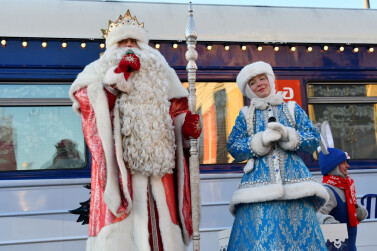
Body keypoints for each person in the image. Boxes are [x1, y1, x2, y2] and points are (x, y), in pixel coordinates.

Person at [69, 10, 201, 251]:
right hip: (122, 173)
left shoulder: (163, 73)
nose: (129, 46)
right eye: (123, 41)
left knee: (160, 231)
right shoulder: (98, 70)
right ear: (112, 46)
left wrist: (187, 130)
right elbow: (87, 105)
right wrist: (116, 79)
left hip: (161, 174)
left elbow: (177, 115)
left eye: (134, 41)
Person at [226, 61, 329, 250]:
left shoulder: (291, 109)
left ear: (270, 79)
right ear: (248, 89)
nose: (259, 84)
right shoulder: (245, 115)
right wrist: (260, 141)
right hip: (258, 187)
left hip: (295, 185)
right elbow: (233, 147)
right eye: (253, 83)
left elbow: (313, 138)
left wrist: (288, 135)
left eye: (262, 78)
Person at [317, 147, 368, 251]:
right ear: (334, 166)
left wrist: (357, 211)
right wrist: (328, 222)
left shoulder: (346, 186)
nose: (348, 166)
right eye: (344, 163)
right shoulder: (328, 190)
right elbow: (316, 214)